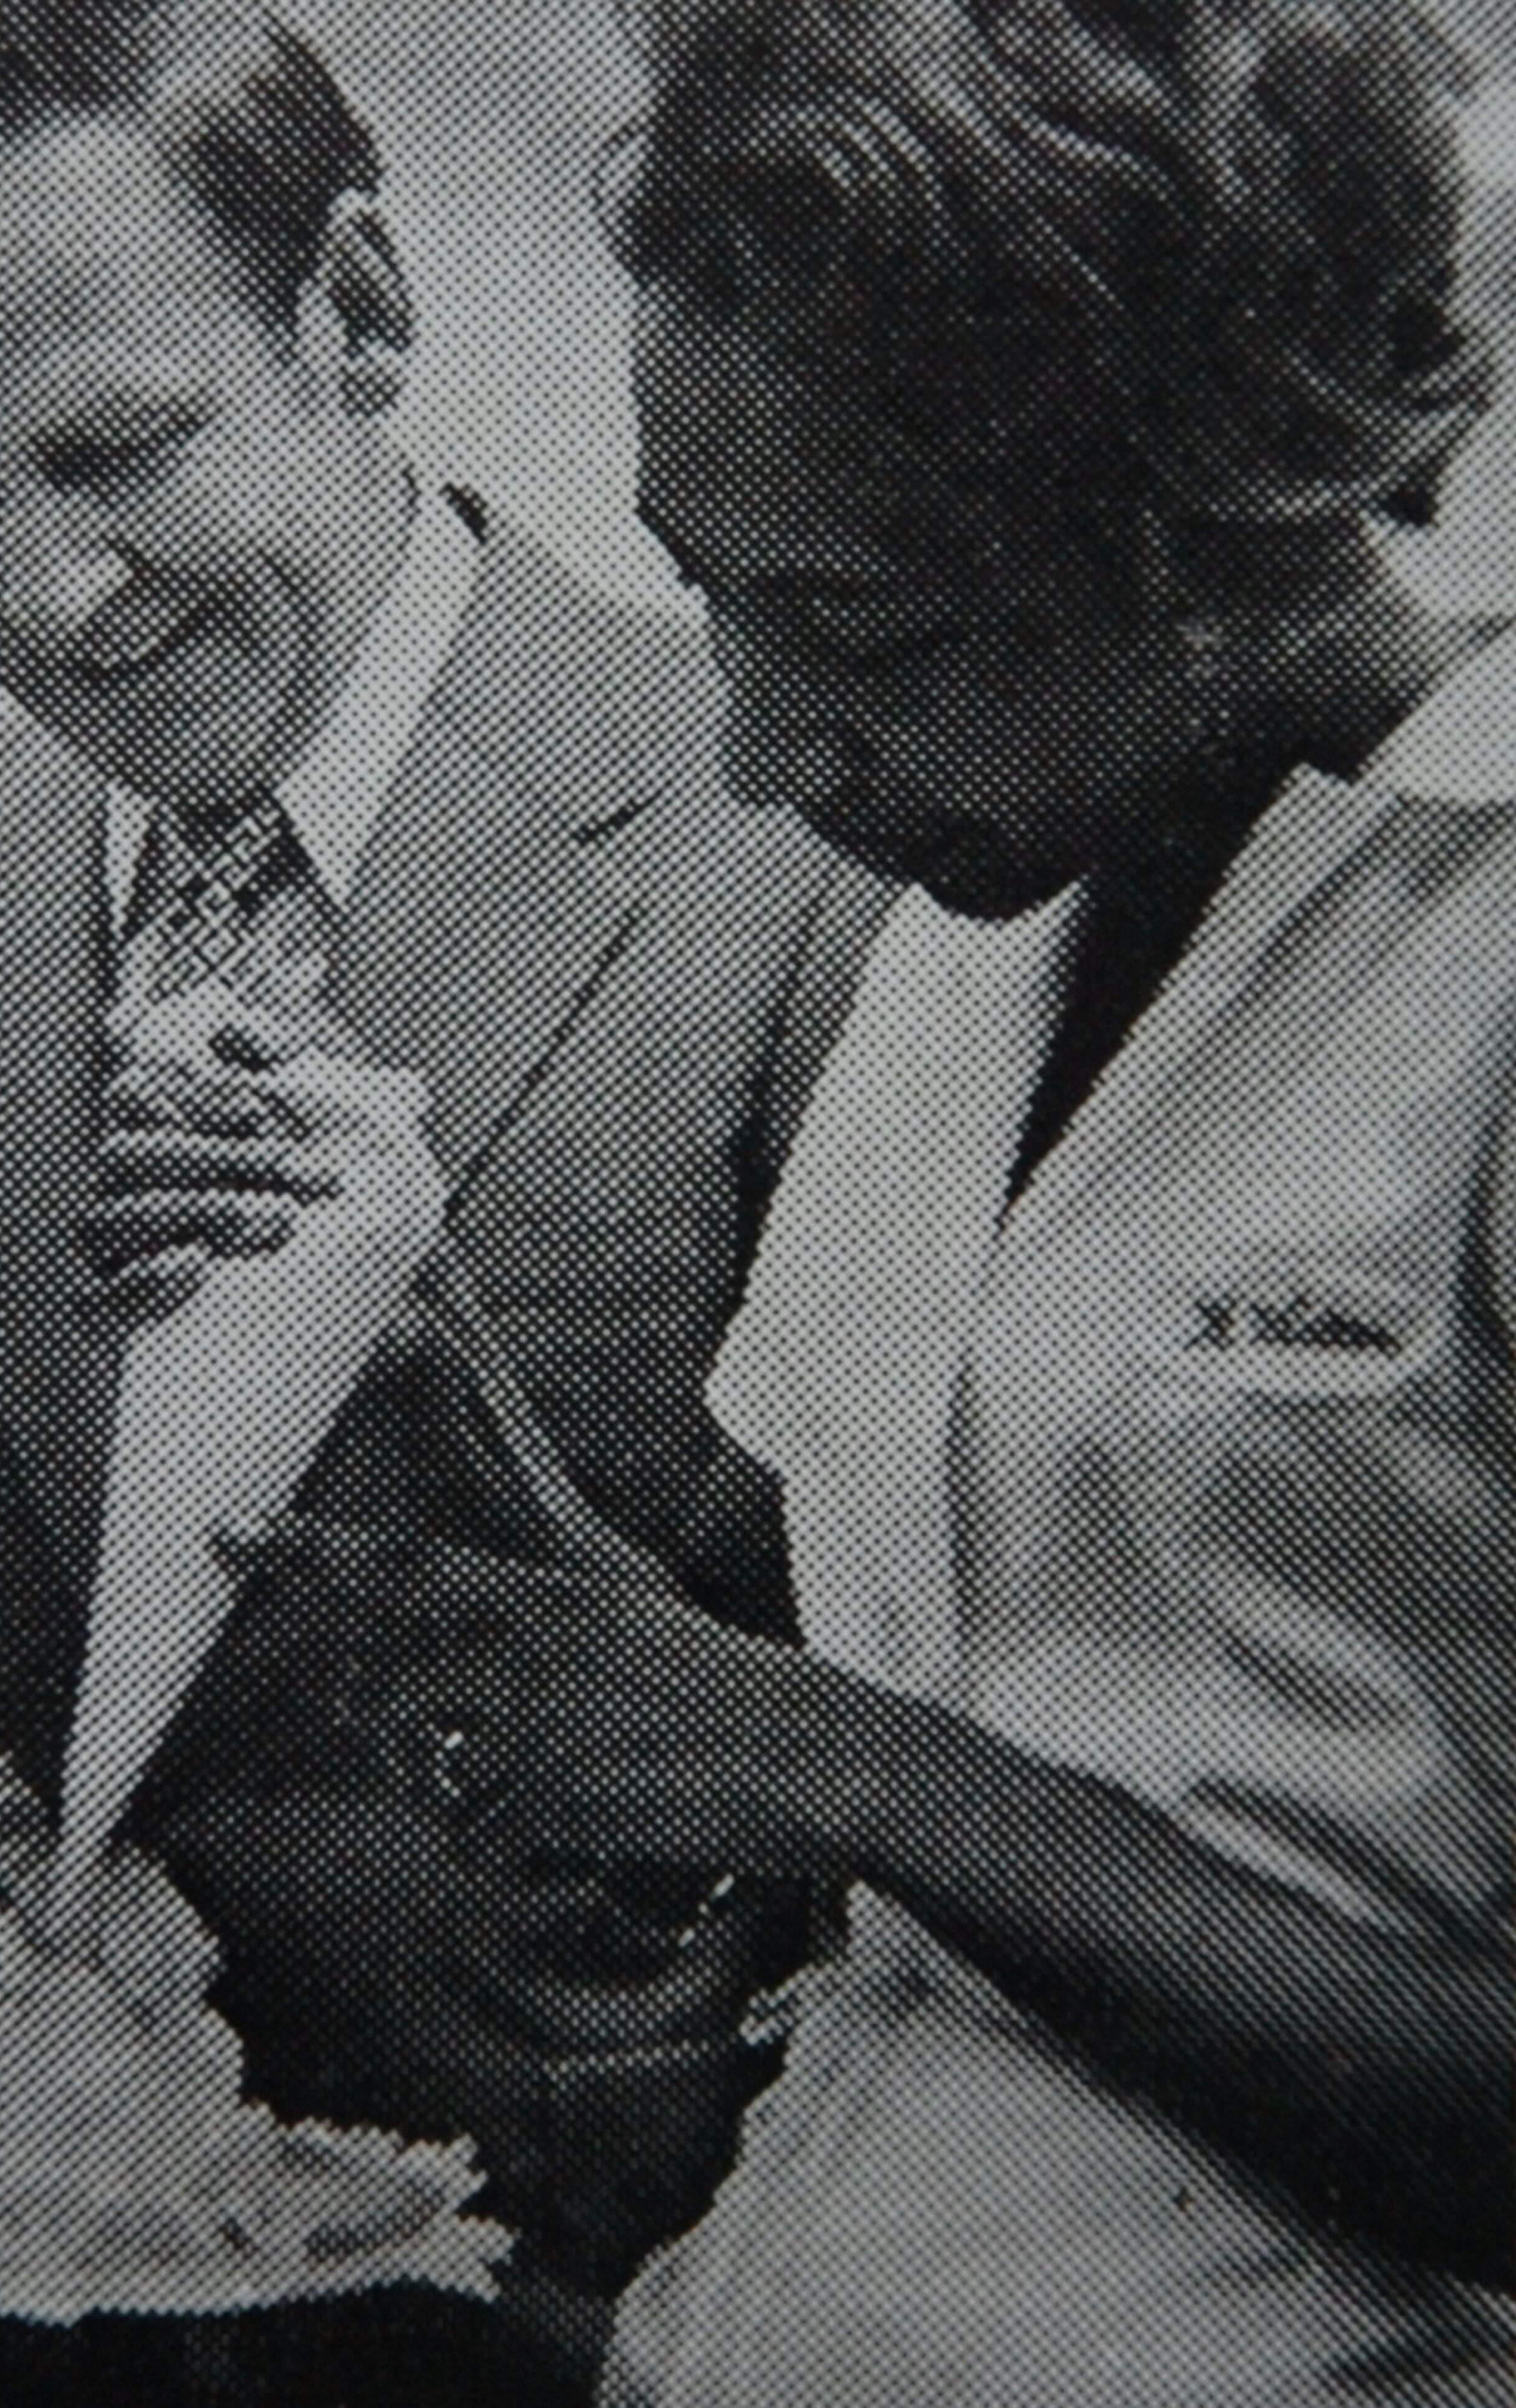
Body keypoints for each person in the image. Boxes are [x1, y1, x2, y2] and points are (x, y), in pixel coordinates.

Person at [222, 0, 1516, 2396]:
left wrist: (854, 1767)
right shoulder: (966, 944)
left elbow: (849, 1756)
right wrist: (391, 1367)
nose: (759, 747)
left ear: (1206, 502)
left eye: (867, 629)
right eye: (713, 593)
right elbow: (774, 1705)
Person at [0, 3, 867, 2397]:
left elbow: (897, 1741)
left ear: (361, 312)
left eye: (118, 450)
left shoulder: (807, 838)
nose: (52, 594)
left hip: (569, 2321)